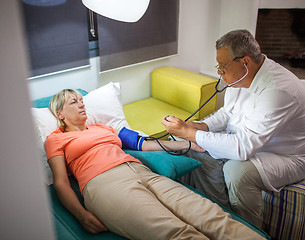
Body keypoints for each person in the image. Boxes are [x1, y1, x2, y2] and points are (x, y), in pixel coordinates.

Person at [45, 88, 265, 240]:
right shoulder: (55, 139)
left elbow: (142, 145)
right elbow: (61, 183)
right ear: (60, 113)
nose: (81, 104)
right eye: (74, 102)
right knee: (175, 233)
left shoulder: (103, 128)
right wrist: (81, 215)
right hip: (104, 184)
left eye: (81, 100)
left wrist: (189, 145)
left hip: (142, 172)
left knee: (211, 215)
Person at [161, 29, 305, 228]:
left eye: (223, 66)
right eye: (218, 66)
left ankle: (248, 230)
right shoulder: (240, 78)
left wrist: (190, 132)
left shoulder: (278, 90)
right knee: (185, 143)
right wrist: (200, 126)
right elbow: (228, 113)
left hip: (287, 156)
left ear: (244, 62)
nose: (219, 72)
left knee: (237, 170)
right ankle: (220, 214)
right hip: (249, 142)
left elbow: (244, 148)